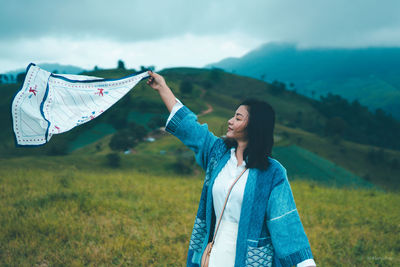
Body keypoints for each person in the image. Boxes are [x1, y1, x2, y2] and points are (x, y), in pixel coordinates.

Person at [147, 71, 316, 267]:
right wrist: (162, 87)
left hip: (249, 257)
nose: (230, 121)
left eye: (237, 118)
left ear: (254, 125)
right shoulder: (217, 153)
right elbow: (189, 127)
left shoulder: (272, 172)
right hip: (215, 250)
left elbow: (284, 222)